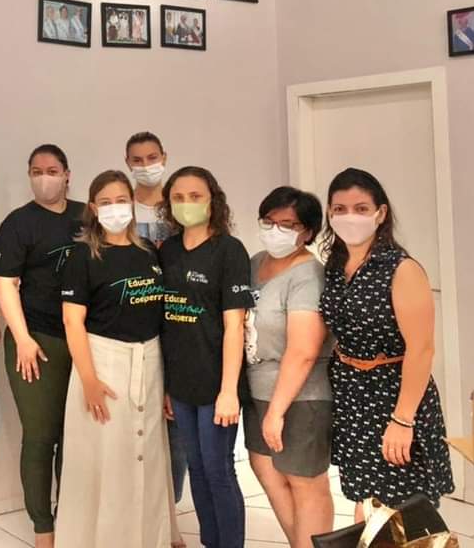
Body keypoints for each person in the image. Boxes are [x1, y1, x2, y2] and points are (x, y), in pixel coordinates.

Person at [319, 168, 454, 515]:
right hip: (351, 394)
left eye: (361, 208)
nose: (350, 216)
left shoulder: (401, 269)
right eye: (340, 209)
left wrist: (403, 419)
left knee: (402, 505)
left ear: (380, 214)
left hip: (394, 393)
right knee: (366, 499)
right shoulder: (335, 266)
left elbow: (422, 349)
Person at [56, 170, 176, 547]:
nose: (115, 208)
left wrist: (167, 381)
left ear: (132, 204)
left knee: (147, 455)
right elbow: (72, 321)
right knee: (109, 458)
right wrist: (89, 381)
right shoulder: (83, 255)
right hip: (103, 360)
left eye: (121, 200)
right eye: (105, 202)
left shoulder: (148, 253)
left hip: (150, 359)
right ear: (93, 208)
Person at [0, 145, 84, 548]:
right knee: (40, 436)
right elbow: (5, 285)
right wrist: (23, 339)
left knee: (74, 436)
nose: (44, 177)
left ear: (67, 174)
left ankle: (71, 517)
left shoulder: (87, 216)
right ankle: (43, 528)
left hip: (81, 341)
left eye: (51, 170)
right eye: (36, 171)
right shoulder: (18, 224)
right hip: (36, 343)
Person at [159, 166, 253, 548]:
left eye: (195, 196)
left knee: (218, 470)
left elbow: (235, 326)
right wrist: (167, 386)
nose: (187, 204)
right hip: (182, 384)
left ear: (213, 201)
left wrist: (229, 391)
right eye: (178, 197)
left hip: (217, 383)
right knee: (196, 469)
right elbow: (166, 323)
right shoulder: (167, 251)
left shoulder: (229, 251)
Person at [243, 187, 334, 548]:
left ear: (307, 231)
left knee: (305, 482)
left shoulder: (309, 275)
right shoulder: (255, 263)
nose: (275, 230)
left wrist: (277, 411)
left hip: (300, 396)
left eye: (287, 224)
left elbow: (303, 350)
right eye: (269, 221)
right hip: (257, 389)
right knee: (267, 471)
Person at [125, 133, 190, 514]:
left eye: (152, 157)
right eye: (137, 159)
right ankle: (142, 509)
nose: (146, 165)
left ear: (165, 157)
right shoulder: (123, 209)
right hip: (137, 326)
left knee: (176, 424)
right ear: (127, 163)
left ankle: (171, 510)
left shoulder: (181, 207)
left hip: (180, 323)